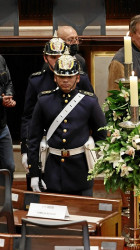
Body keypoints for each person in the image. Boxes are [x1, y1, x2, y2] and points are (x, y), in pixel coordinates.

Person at [27, 52, 106, 195]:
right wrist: (34, 174)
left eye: (69, 77)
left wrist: (101, 163)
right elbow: (33, 139)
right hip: (52, 171)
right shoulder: (44, 100)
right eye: (62, 76)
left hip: (81, 172)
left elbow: (101, 135)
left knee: (83, 214)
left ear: (77, 78)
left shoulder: (89, 102)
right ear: (55, 78)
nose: (65, 80)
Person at [20, 35, 94, 185]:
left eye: (60, 55)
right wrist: (25, 149)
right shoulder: (36, 81)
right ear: (45, 58)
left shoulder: (81, 78)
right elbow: (28, 117)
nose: (58, 60)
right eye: (53, 57)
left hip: (74, 145)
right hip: (43, 144)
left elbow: (91, 109)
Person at [0, 55, 16, 180]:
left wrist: (9, 97)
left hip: (2, 125)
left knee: (9, 166)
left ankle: (6, 198)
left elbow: (8, 82)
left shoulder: (0, 59)